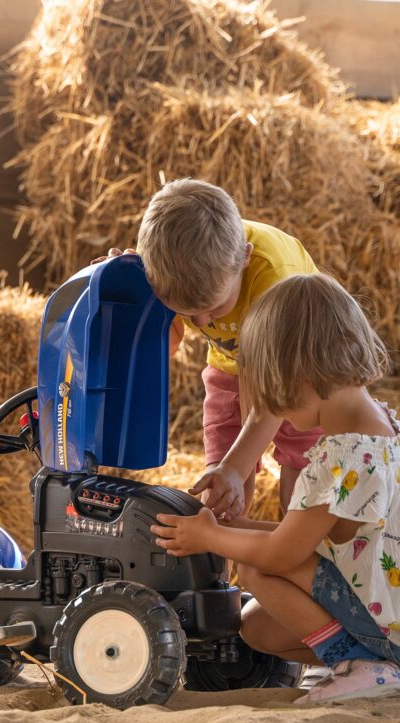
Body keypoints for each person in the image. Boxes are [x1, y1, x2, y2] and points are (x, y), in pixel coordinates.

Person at [150, 273, 400, 703]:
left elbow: (279, 555)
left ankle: (359, 666)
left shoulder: (338, 460)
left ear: (301, 376)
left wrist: (212, 537)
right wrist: (233, 526)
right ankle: (383, 668)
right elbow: (312, 534)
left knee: (255, 570)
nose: (279, 416)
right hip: (395, 614)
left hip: (388, 628)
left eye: (277, 396)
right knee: (255, 627)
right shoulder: (387, 430)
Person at [98, 178, 320, 518]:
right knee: (220, 481)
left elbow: (277, 394)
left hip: (300, 366)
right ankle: (230, 567)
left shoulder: (277, 279)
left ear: (244, 258)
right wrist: (132, 300)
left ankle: (296, 552)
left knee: (301, 464)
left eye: (215, 308)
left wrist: (236, 466)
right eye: (187, 312)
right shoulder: (169, 270)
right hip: (231, 366)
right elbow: (164, 347)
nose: (201, 323)